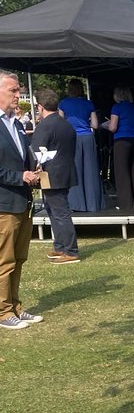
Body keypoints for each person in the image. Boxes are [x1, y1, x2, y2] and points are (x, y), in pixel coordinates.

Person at [0, 69, 44, 330]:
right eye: (13, 90)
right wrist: (20, 176)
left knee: (19, 258)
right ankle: (3, 312)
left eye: (19, 90)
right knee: (4, 260)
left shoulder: (15, 123)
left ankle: (15, 305)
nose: (19, 95)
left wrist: (34, 168)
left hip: (23, 202)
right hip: (4, 203)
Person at [30, 88, 80, 263]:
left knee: (60, 213)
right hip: (64, 170)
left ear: (40, 107)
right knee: (53, 210)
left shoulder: (45, 125)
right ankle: (60, 246)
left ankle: (71, 251)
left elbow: (35, 152)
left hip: (51, 174)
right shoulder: (66, 123)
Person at [58, 78, 104, 212]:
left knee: (75, 170)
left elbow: (60, 123)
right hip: (88, 138)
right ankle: (93, 204)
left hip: (72, 138)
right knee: (91, 170)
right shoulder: (89, 103)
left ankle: (76, 204)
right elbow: (95, 125)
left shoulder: (64, 103)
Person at [104, 87, 134, 210]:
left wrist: (105, 125)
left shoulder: (117, 107)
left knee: (122, 173)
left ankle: (126, 204)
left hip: (122, 141)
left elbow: (113, 127)